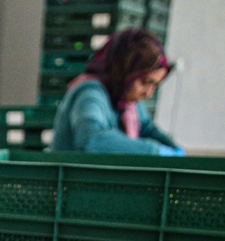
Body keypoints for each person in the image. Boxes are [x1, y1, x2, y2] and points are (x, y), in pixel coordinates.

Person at [49, 28, 184, 155]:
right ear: (123, 72)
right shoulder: (89, 94)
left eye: (155, 85)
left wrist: (175, 151)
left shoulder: (126, 103)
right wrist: (154, 151)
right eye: (145, 82)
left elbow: (147, 129)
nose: (148, 93)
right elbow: (92, 140)